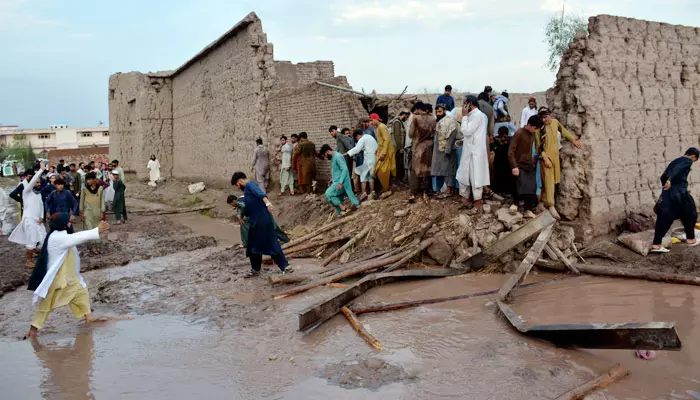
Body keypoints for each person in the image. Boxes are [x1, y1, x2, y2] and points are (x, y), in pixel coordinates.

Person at [24, 213, 110, 339]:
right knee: (46, 305)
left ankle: (88, 317)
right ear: (64, 225)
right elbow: (78, 237)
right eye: (69, 221)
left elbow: (74, 238)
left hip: (70, 277)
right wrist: (97, 230)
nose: (71, 222)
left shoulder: (58, 235)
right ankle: (33, 330)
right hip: (58, 279)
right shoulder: (58, 238)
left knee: (81, 292)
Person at [231, 172, 292, 277]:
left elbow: (260, 194)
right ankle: (255, 269)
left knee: (271, 243)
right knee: (253, 246)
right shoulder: (247, 190)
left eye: (236, 185)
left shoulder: (250, 185)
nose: (238, 187)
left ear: (239, 181)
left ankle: (285, 267)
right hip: (256, 222)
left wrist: (267, 203)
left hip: (262, 221)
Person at [651, 148, 700, 253]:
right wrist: (670, 180)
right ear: (694, 157)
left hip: (669, 195)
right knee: (691, 214)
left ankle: (656, 245)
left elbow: (663, 176)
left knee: (664, 218)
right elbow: (678, 169)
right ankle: (691, 239)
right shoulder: (687, 160)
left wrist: (667, 184)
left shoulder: (675, 160)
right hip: (680, 194)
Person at [536, 108, 582, 219]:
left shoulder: (555, 123)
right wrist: (545, 158)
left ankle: (543, 202)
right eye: (542, 117)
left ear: (550, 115)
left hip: (555, 157)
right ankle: (551, 205)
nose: (544, 119)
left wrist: (573, 140)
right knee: (549, 181)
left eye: (546, 117)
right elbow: (538, 146)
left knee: (554, 181)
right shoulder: (539, 128)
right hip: (546, 159)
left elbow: (564, 131)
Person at [9, 163, 47, 268]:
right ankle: (29, 261)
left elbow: (41, 205)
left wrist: (41, 217)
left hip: (38, 220)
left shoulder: (38, 193)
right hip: (29, 220)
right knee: (31, 241)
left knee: (43, 238)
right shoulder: (26, 191)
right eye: (37, 182)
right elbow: (32, 181)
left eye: (39, 182)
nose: (39, 184)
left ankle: (37, 252)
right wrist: (40, 171)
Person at [456, 95, 490, 212]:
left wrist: (464, 117)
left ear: (470, 104)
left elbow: (466, 131)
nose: (462, 106)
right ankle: (466, 201)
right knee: (462, 175)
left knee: (476, 178)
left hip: (475, 154)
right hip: (468, 152)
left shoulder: (477, 116)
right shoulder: (472, 116)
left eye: (464, 103)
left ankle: (478, 205)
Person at [509, 116, 545, 217]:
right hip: (519, 164)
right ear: (529, 125)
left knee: (531, 187)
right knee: (519, 185)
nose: (536, 130)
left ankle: (528, 210)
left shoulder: (532, 134)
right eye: (535, 128)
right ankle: (515, 204)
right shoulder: (519, 133)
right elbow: (510, 152)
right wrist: (514, 166)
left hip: (528, 164)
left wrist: (533, 160)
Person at [408, 103, 436, 203]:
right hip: (429, 146)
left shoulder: (415, 118)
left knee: (415, 170)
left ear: (420, 109)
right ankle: (426, 191)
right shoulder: (433, 119)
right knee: (427, 169)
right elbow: (434, 132)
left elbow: (410, 134)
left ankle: (413, 192)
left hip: (418, 147)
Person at [321, 144, 360, 215]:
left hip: (341, 182)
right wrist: (332, 180)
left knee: (328, 193)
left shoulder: (337, 156)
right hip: (337, 181)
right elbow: (336, 170)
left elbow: (344, 169)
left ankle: (344, 208)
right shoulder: (333, 157)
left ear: (327, 152)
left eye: (325, 155)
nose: (326, 157)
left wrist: (340, 182)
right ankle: (341, 212)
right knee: (336, 197)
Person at [431, 104, 459, 199]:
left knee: (449, 171)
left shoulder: (449, 121)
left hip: (447, 151)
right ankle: (443, 189)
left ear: (445, 111)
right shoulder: (439, 121)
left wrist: (447, 148)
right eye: (436, 112)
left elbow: (452, 133)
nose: (438, 114)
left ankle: (449, 191)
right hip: (440, 151)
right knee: (442, 170)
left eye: (440, 111)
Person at [345, 128, 378, 202]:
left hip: (368, 159)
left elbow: (357, 149)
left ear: (357, 136)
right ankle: (372, 192)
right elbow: (366, 147)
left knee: (363, 176)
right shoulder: (370, 137)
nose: (357, 139)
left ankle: (364, 193)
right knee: (370, 176)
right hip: (374, 158)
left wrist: (347, 153)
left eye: (356, 138)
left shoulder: (362, 139)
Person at [369, 113, 396, 196]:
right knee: (380, 170)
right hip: (382, 151)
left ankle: (387, 188)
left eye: (371, 120)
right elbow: (381, 141)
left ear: (376, 119)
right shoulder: (378, 128)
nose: (370, 123)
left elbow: (386, 140)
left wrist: (383, 153)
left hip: (386, 152)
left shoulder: (382, 127)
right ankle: (385, 188)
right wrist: (378, 149)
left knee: (382, 171)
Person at [79, 172, 105, 255]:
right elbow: (81, 201)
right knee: (89, 229)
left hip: (97, 211)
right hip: (88, 211)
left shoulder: (100, 188)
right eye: (87, 180)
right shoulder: (84, 189)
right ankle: (91, 247)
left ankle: (98, 246)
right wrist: (81, 211)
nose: (88, 181)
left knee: (97, 229)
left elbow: (102, 201)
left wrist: (102, 212)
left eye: (90, 179)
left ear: (94, 180)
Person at [490, 126, 515, 196]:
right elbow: (493, 148)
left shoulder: (510, 140)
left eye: (505, 134)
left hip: (507, 163)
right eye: (502, 134)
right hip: (498, 162)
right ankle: (498, 191)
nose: (504, 136)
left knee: (508, 176)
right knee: (498, 176)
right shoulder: (496, 140)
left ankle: (507, 191)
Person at [388, 112, 409, 184]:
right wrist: (400, 148)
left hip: (398, 147)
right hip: (397, 147)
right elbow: (397, 136)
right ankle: (397, 179)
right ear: (404, 115)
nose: (406, 118)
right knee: (398, 164)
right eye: (406, 116)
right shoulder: (397, 122)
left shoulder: (399, 122)